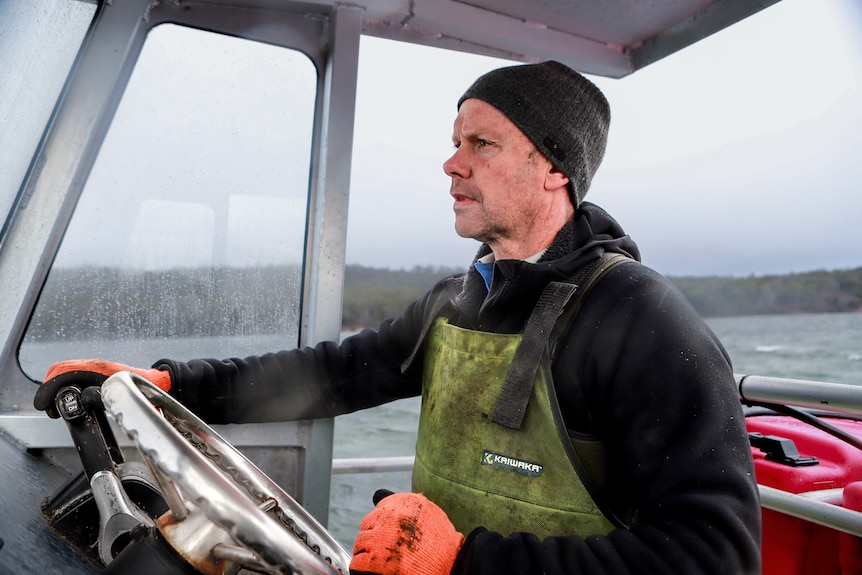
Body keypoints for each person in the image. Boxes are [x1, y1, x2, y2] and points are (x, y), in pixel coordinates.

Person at [35, 61, 762, 574]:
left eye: (481, 143)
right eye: (454, 142)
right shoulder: (460, 299)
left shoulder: (643, 319)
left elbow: (716, 553)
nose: (452, 164)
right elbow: (331, 373)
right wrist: (165, 382)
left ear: (555, 167)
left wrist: (466, 559)